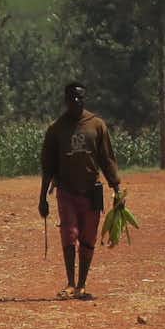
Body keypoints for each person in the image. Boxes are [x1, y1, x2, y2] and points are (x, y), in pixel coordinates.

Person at [38, 83, 122, 299]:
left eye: (80, 98)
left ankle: (82, 284)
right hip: (66, 191)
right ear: (65, 100)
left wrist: (117, 188)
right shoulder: (56, 129)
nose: (77, 102)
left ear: (84, 99)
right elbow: (47, 166)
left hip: (91, 191)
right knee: (69, 234)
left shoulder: (97, 125)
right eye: (72, 98)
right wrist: (42, 198)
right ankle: (70, 282)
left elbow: (107, 159)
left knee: (88, 237)